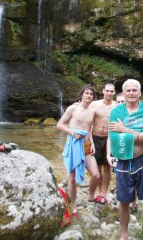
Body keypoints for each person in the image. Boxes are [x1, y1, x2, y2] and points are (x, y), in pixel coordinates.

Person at [108, 79, 143, 240]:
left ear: (140, 93)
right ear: (123, 93)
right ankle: (124, 236)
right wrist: (137, 134)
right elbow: (114, 138)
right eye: (128, 91)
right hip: (123, 163)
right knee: (124, 202)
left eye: (135, 90)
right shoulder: (116, 112)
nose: (132, 93)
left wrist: (124, 130)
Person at [57, 84, 100, 217]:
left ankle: (90, 196)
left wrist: (92, 143)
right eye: (86, 93)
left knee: (96, 175)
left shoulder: (92, 112)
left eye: (91, 94)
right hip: (74, 143)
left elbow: (89, 129)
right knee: (72, 178)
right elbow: (59, 124)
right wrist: (72, 133)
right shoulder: (73, 108)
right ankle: (74, 206)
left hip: (86, 145)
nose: (88, 96)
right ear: (81, 95)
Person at [88, 83, 117, 204]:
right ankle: (98, 191)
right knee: (97, 167)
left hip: (110, 139)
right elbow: (87, 122)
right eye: (107, 91)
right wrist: (90, 141)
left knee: (108, 167)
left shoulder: (117, 106)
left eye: (112, 91)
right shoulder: (95, 104)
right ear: (103, 91)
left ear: (114, 92)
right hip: (95, 138)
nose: (109, 93)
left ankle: (104, 193)